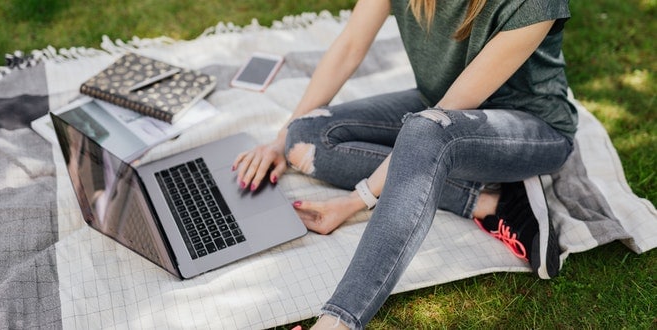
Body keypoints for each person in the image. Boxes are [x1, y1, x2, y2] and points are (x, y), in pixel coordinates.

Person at [232, 0, 578, 328]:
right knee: (304, 138)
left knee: (426, 131)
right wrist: (282, 136)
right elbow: (350, 46)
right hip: (437, 105)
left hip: (530, 128)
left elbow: (444, 115)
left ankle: (340, 320)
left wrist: (355, 201)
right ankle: (492, 200)